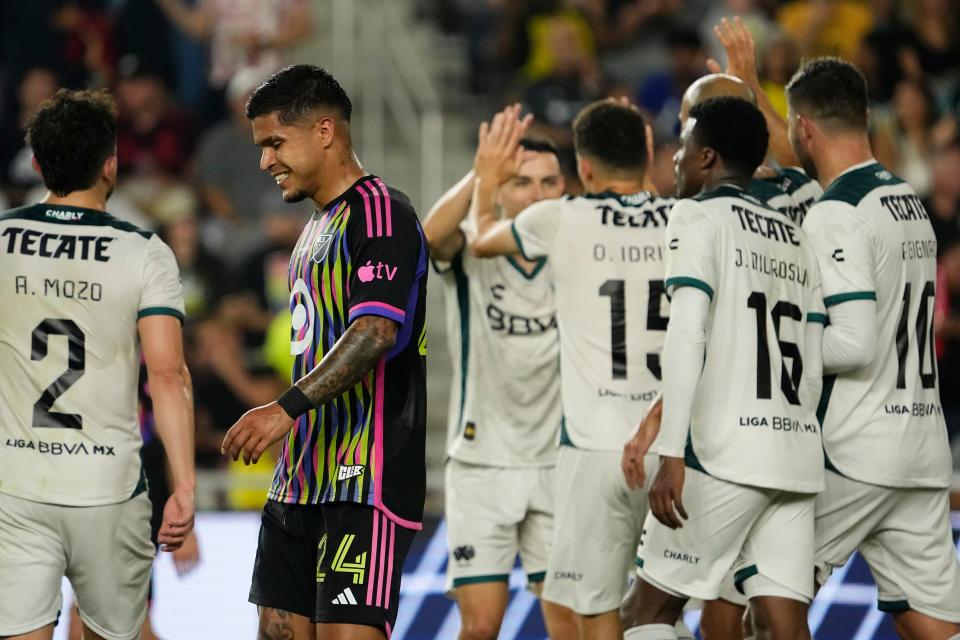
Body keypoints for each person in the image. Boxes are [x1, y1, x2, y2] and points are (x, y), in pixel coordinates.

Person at [220, 64, 427, 640]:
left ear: (325, 131)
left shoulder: (382, 211)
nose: (265, 161)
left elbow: (375, 333)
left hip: (364, 478)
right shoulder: (313, 230)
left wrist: (283, 408)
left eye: (275, 143)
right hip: (299, 480)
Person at [470, 100, 684, 640]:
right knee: (672, 613)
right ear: (650, 153)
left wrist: (486, 179)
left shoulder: (559, 217)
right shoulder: (689, 220)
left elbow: (481, 237)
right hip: (680, 442)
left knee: (596, 610)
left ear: (583, 169)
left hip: (596, 450)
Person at [623, 96, 825, 640]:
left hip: (725, 452)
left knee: (647, 615)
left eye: (684, 146)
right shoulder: (797, 236)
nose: (675, 159)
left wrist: (672, 451)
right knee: (783, 626)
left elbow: (688, 334)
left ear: (707, 157)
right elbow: (811, 364)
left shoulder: (697, 214)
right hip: (796, 453)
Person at [0, 89, 195, 640]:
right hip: (107, 486)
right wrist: (183, 487)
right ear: (110, 163)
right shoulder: (144, 252)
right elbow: (168, 375)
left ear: (38, 164)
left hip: (15, 481)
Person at [786, 57, 960, 640]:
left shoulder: (835, 214)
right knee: (938, 629)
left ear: (802, 129)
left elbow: (854, 343)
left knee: (767, 603)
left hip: (854, 451)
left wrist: (781, 341)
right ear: (863, 116)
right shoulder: (908, 199)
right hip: (920, 445)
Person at [423, 112, 577, 640]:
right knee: (481, 627)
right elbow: (428, 237)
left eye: (549, 182)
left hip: (560, 460)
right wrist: (480, 173)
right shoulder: (472, 246)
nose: (536, 195)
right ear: (501, 191)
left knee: (572, 624)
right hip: (481, 463)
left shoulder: (577, 249)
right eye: (521, 182)